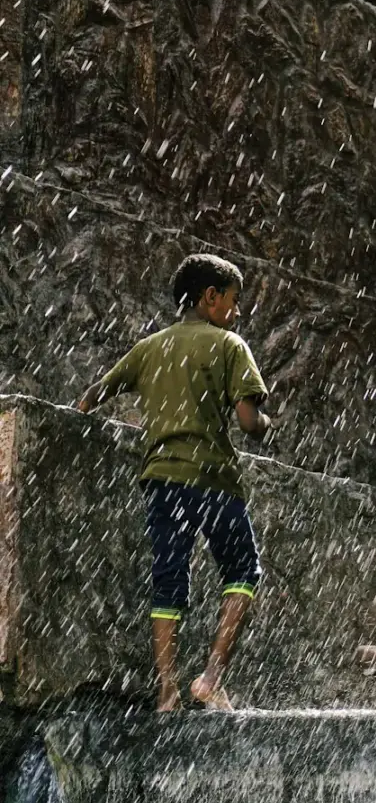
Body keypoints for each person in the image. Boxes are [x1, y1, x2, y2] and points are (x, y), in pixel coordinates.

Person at [78, 254, 271, 712]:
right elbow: (246, 421)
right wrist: (266, 421)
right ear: (210, 298)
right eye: (234, 300)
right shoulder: (228, 344)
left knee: (169, 581)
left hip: (162, 482)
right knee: (243, 573)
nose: (238, 311)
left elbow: (91, 397)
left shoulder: (150, 348)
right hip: (214, 478)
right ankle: (210, 676)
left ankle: (167, 691)